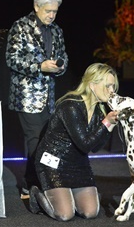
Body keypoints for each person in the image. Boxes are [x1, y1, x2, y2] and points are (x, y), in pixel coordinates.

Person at [28, 63, 119, 221]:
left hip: (77, 165)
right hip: (53, 164)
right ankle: (37, 194)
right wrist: (106, 122)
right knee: (65, 215)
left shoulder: (99, 111)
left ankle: (66, 195)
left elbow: (96, 147)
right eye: (108, 86)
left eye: (113, 86)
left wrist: (109, 125)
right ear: (92, 85)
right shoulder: (71, 106)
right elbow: (85, 144)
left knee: (90, 212)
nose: (112, 91)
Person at [5, 0, 68, 197]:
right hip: (26, 96)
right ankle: (36, 183)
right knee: (35, 139)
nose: (51, 15)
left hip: (49, 98)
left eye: (55, 11)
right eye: (48, 11)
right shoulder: (20, 26)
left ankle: (36, 181)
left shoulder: (57, 30)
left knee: (47, 139)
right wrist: (39, 66)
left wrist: (60, 66)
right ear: (36, 6)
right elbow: (11, 59)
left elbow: (64, 58)